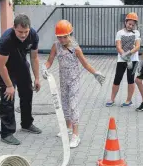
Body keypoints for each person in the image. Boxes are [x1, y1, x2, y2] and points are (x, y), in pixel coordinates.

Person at [42, 20, 105, 148]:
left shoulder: (75, 48)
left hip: (74, 81)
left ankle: (76, 135)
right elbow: (49, 61)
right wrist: (44, 67)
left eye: (64, 37)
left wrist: (95, 73)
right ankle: (68, 128)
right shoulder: (56, 46)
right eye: (59, 37)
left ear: (70, 34)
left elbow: (85, 64)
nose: (62, 40)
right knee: (64, 105)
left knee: (73, 105)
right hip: (63, 80)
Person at [0, 14, 42, 145]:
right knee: (8, 97)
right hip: (6, 67)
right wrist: (9, 86)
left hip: (21, 63)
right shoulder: (6, 39)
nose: (23, 35)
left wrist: (37, 78)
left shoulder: (33, 35)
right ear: (14, 28)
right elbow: (1, 65)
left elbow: (34, 58)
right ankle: (6, 133)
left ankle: (27, 124)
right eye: (20, 32)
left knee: (27, 92)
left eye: (25, 32)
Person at [106, 12, 141, 107]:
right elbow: (118, 46)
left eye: (133, 25)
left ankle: (128, 100)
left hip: (133, 60)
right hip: (121, 60)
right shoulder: (120, 33)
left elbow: (137, 46)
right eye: (129, 24)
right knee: (117, 79)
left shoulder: (137, 33)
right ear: (125, 22)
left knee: (131, 79)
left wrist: (129, 54)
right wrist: (123, 54)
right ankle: (112, 99)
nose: (131, 26)